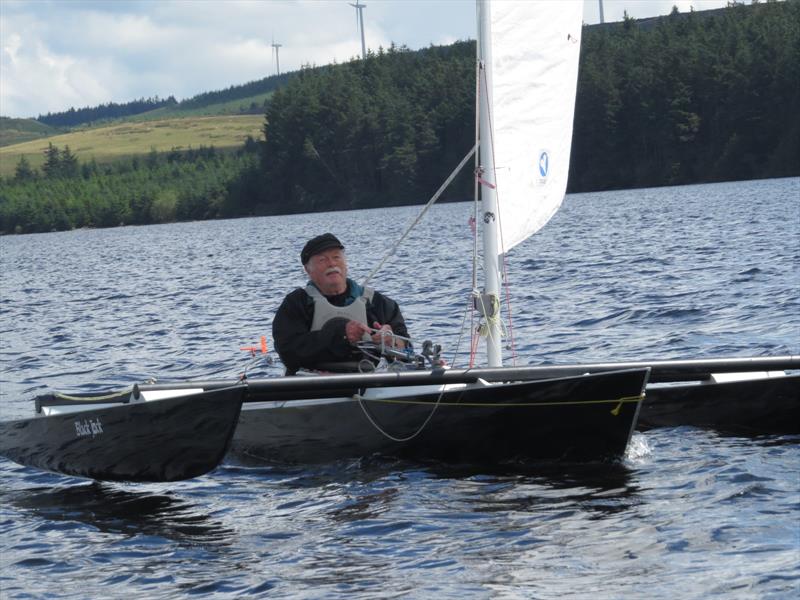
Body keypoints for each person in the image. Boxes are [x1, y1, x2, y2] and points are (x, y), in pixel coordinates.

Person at [272, 233, 410, 374]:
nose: (332, 264)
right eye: (322, 260)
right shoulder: (296, 304)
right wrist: (341, 335)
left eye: (336, 257)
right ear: (308, 270)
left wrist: (391, 341)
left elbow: (408, 350)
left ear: (345, 263)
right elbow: (287, 351)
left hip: (370, 380)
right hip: (313, 384)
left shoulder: (378, 303)